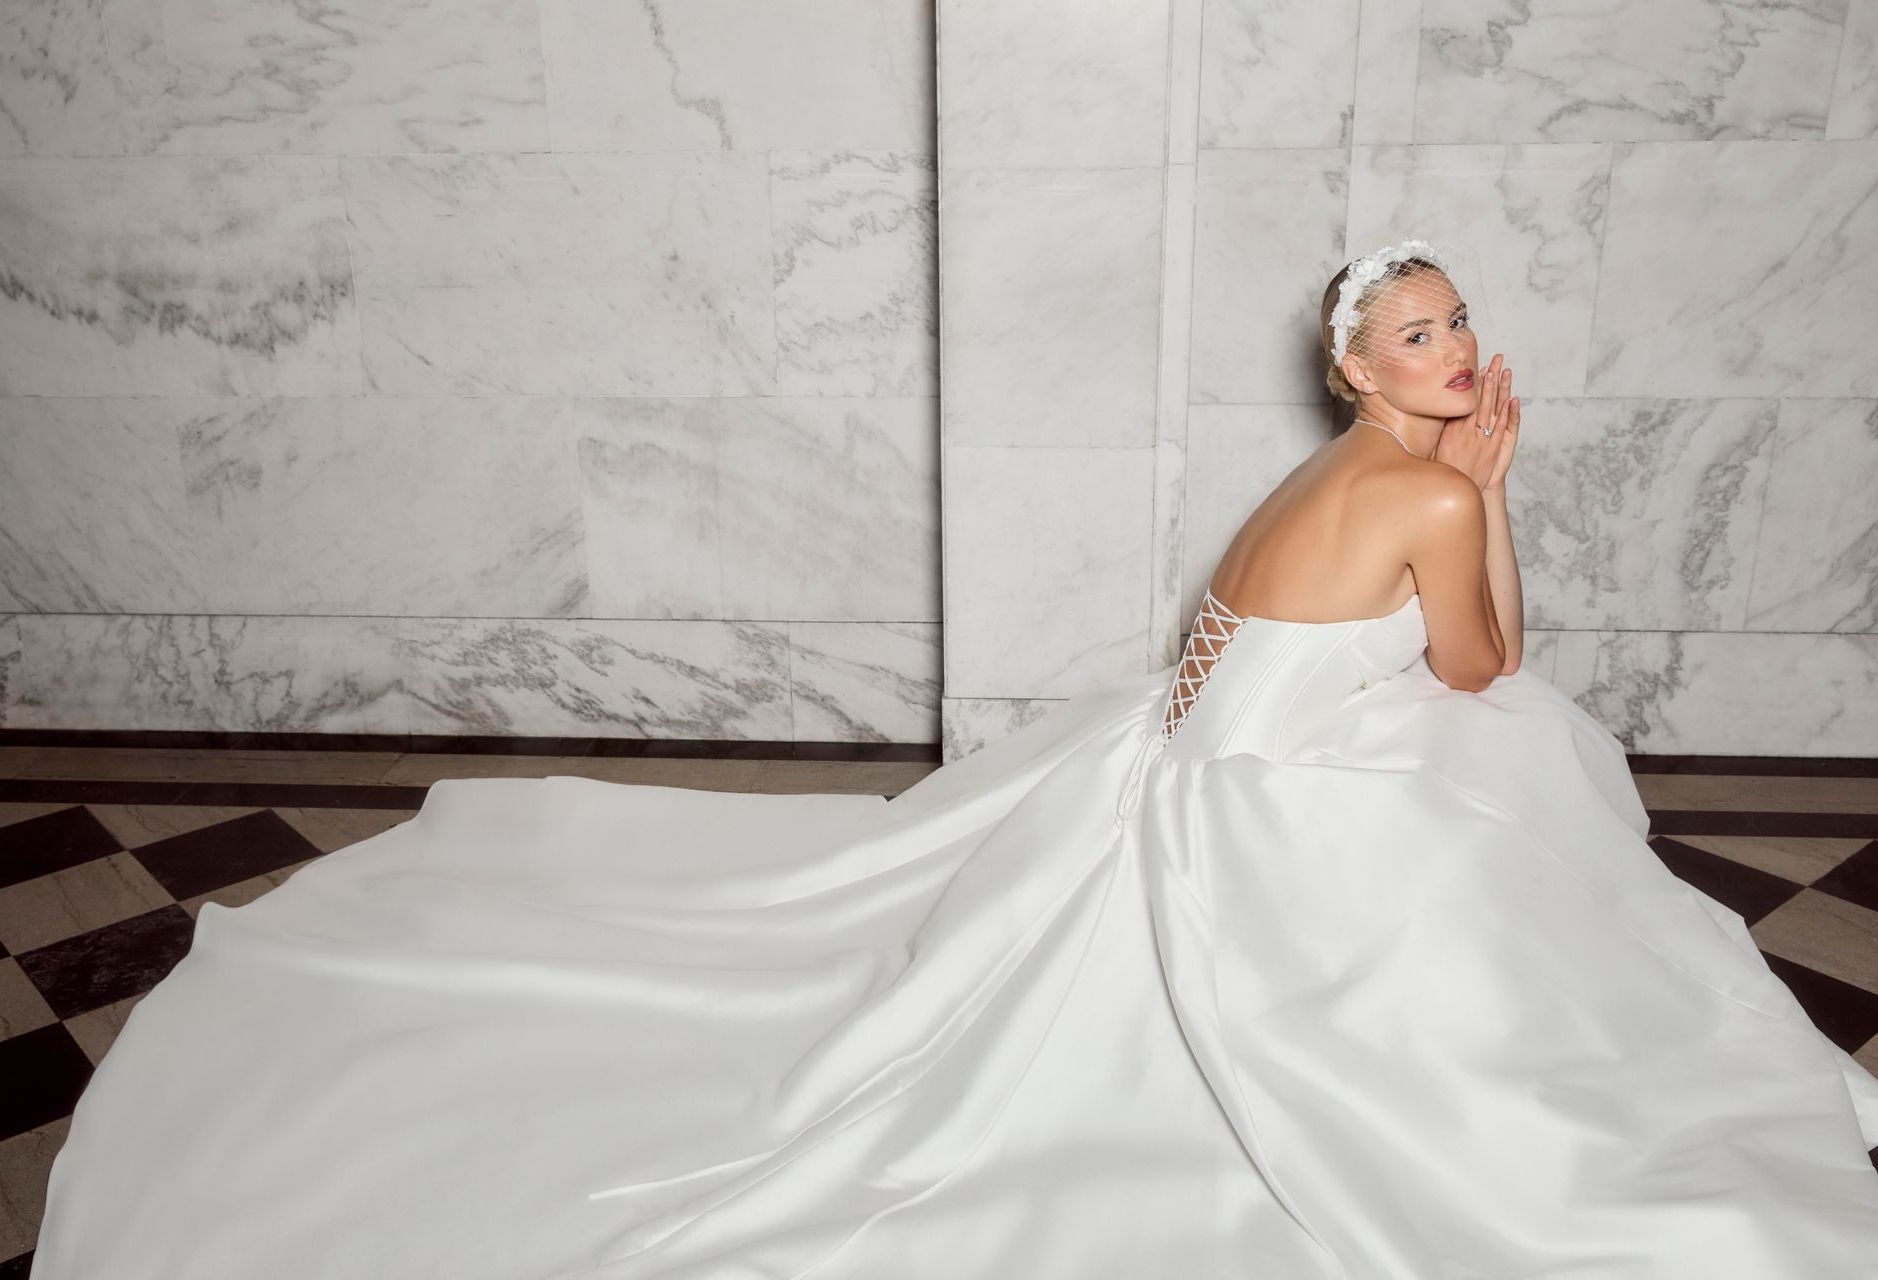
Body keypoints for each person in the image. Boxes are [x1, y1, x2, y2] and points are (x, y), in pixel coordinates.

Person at [32, 239, 1878, 1278]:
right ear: (1360, 373)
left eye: (1458, 319)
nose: (1456, 347)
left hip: (1185, 757)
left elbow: (1270, 653)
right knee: (1521, 791)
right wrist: (1490, 493)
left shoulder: (1335, 469)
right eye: (1418, 333)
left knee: (1509, 811)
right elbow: (1483, 670)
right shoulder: (1415, 478)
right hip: (1272, 803)